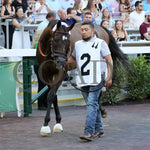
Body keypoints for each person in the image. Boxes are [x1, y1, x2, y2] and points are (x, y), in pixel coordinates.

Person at [67, 21, 113, 141]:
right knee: (92, 105)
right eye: (82, 30)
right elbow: (72, 58)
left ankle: (88, 132)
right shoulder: (77, 44)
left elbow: (109, 59)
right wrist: (64, 63)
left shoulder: (100, 43)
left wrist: (109, 76)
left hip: (97, 78)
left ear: (92, 31)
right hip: (83, 78)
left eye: (86, 29)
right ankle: (100, 129)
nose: (83, 31)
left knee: (92, 104)